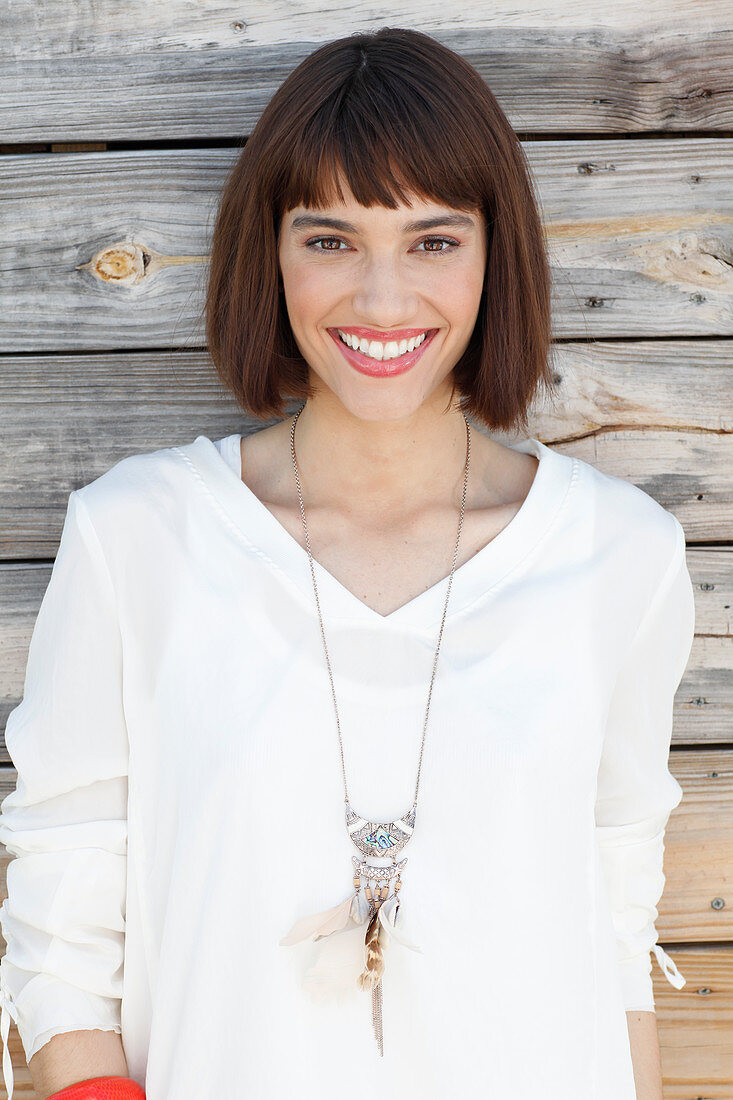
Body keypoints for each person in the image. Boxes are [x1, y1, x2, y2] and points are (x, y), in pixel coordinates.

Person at [0, 26, 694, 1100]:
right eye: (329, 240)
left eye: (432, 240)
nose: (380, 300)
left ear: (493, 254)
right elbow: (62, 931)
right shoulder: (137, 539)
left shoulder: (621, 558)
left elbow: (612, 927)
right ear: (267, 255)